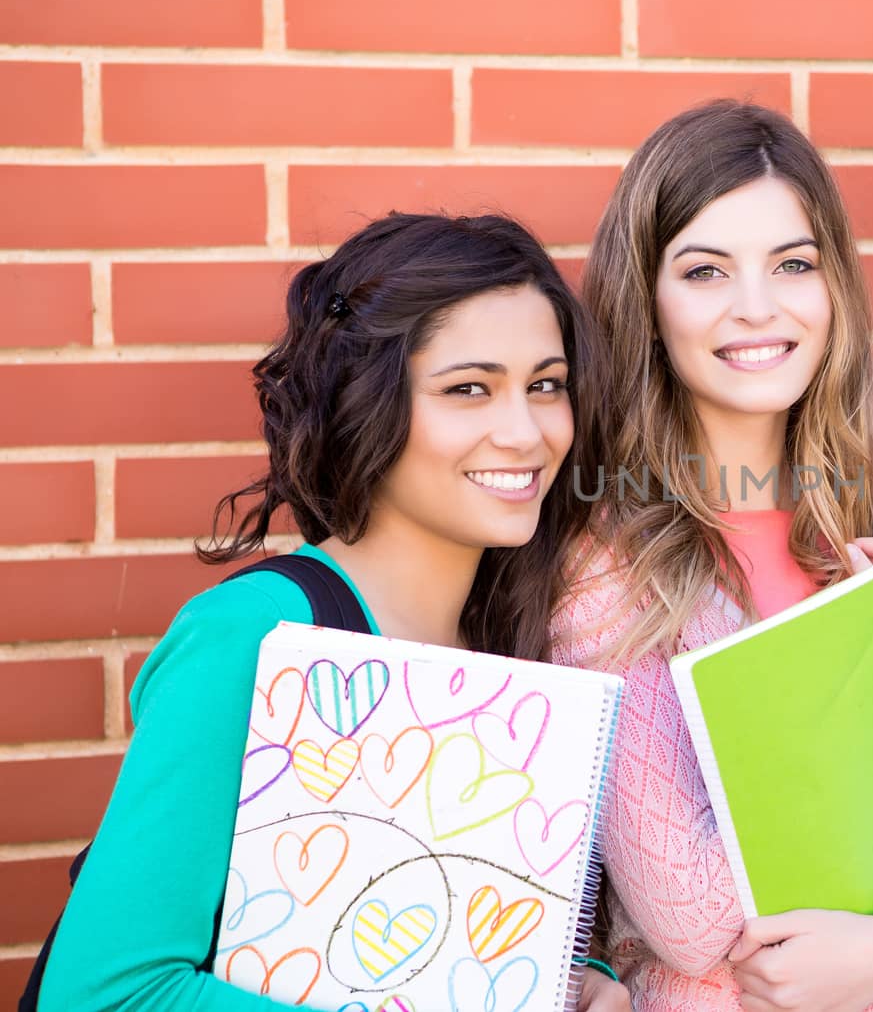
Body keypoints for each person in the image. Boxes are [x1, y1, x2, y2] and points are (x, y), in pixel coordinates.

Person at [36, 213, 630, 1011]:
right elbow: (103, 993)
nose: (525, 431)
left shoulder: (515, 645)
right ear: (368, 403)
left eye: (545, 384)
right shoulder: (255, 635)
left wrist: (582, 983)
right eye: (468, 389)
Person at [548, 100, 873, 1011]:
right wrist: (860, 670)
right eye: (706, 270)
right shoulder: (606, 570)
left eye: (793, 264)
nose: (758, 306)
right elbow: (694, 918)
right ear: (647, 303)